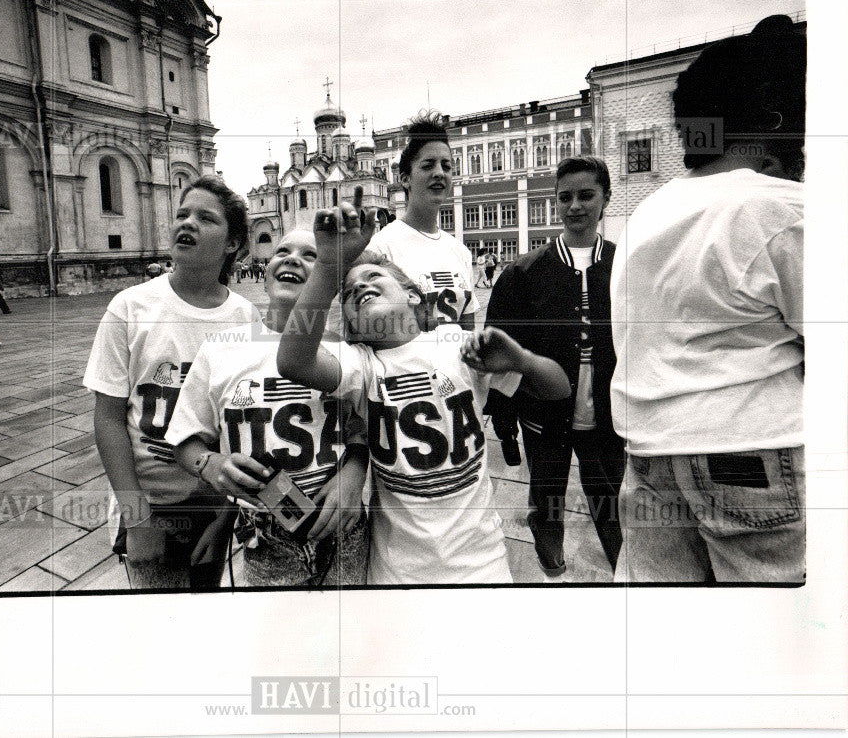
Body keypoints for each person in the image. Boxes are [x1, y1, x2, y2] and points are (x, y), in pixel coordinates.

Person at [277, 204, 571, 585]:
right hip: (398, 571)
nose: (361, 286)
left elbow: (559, 389)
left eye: (373, 276)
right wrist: (329, 266)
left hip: (481, 561)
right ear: (349, 323)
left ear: (413, 296)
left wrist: (524, 361)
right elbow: (294, 361)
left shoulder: (457, 345)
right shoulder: (361, 364)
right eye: (348, 292)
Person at [610, 14, 806, 583]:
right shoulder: (781, 208)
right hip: (756, 453)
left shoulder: (649, 213)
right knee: (778, 641)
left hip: (648, 458)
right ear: (776, 123)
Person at [84, 175, 260, 590]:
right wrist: (137, 517)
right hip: (149, 502)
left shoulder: (244, 317)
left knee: (203, 599)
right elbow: (108, 419)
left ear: (233, 243)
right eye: (182, 214)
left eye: (205, 218)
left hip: (212, 500)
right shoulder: (130, 307)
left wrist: (225, 512)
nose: (188, 223)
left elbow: (242, 422)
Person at [166, 229, 369, 586]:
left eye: (311, 256)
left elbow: (361, 425)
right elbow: (184, 439)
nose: (292, 258)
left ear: (331, 283)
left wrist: (354, 471)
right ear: (265, 275)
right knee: (279, 633)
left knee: (347, 629)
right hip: (262, 534)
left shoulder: (346, 352)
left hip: (341, 526)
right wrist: (208, 463)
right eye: (282, 251)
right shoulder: (221, 349)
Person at [485, 156, 624, 577]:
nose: (575, 206)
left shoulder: (624, 265)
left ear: (605, 199)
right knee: (547, 487)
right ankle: (548, 542)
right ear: (555, 203)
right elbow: (502, 353)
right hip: (543, 408)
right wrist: (505, 423)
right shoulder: (524, 271)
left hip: (607, 408)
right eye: (565, 197)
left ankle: (621, 558)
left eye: (586, 195)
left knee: (609, 492)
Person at [365, 112, 479, 330]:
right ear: (405, 179)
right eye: (428, 165)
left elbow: (468, 334)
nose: (439, 173)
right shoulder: (380, 248)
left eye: (446, 166)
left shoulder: (460, 252)